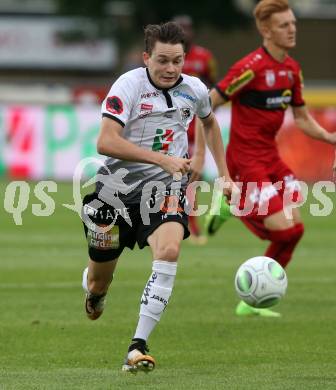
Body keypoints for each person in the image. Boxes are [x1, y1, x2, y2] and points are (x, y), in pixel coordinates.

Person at [81, 21, 233, 373]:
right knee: (99, 279)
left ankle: (137, 345)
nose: (171, 69)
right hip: (115, 190)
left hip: (164, 190)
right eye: (163, 61)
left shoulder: (194, 88)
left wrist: (223, 174)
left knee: (169, 249)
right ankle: (95, 292)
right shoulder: (128, 85)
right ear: (146, 57)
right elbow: (105, 142)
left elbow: (208, 122)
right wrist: (163, 159)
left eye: (177, 61)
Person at [198, 0, 336, 316]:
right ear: (265, 30)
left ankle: (251, 302)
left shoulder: (291, 70)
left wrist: (328, 137)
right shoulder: (250, 68)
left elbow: (301, 118)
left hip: (270, 157)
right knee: (284, 231)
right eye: (284, 25)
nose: (292, 29)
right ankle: (231, 202)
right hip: (245, 161)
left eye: (293, 24)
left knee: (296, 232)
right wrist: (204, 152)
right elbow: (207, 106)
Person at [173, 15, 218, 244]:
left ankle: (192, 224)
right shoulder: (168, 59)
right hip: (172, 127)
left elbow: (213, 86)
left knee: (192, 177)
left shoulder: (204, 58)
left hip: (195, 129)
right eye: (181, 28)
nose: (185, 32)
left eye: (188, 28)